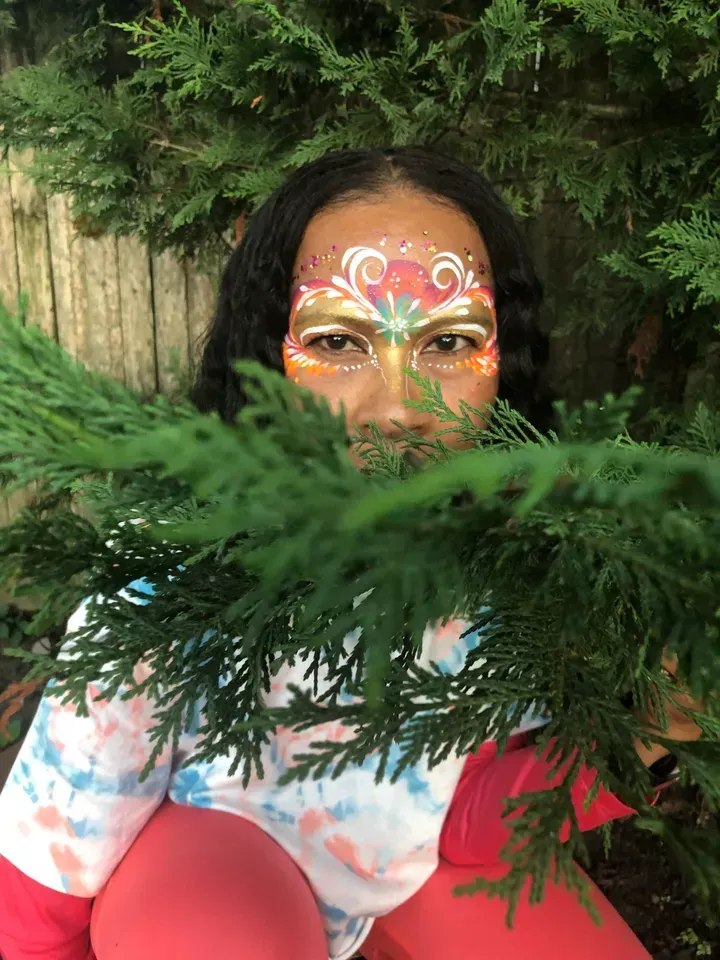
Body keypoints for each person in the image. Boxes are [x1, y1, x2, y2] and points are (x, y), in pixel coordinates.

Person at [0, 148, 705, 960]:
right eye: (340, 341)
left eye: (449, 342)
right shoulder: (180, 566)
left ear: (502, 363)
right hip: (213, 862)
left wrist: (649, 726)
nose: (401, 406)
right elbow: (51, 852)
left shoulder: (509, 561)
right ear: (268, 352)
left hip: (402, 875)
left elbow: (468, 819)